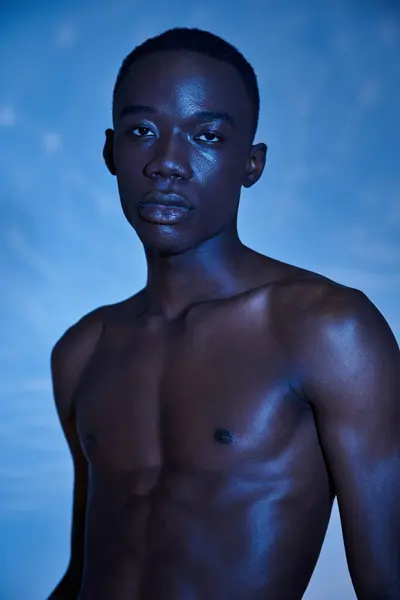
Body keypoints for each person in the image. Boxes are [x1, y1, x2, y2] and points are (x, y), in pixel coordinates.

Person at [47, 27, 400, 600]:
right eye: (142, 132)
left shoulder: (325, 330)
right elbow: (84, 571)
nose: (167, 163)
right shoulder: (82, 350)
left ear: (251, 164)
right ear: (112, 153)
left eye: (207, 136)